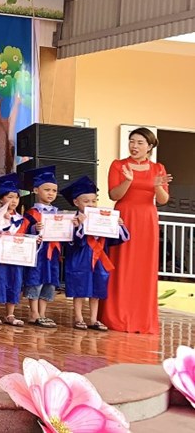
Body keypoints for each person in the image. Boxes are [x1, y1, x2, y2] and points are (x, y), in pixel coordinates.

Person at [101, 127, 171, 334]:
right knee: (120, 263)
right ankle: (116, 316)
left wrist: (157, 186)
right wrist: (128, 180)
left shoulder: (158, 168)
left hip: (147, 220)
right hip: (124, 216)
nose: (134, 146)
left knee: (143, 267)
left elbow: (163, 200)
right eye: (132, 141)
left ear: (149, 146)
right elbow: (114, 195)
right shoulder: (118, 165)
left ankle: (141, 319)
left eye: (140, 142)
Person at [63, 176, 129, 331]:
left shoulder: (102, 217)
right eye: (86, 201)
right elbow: (73, 241)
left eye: (94, 201)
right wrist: (79, 226)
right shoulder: (73, 219)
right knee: (80, 289)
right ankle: (79, 318)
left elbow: (119, 239)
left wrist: (118, 225)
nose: (91, 204)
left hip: (99, 258)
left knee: (97, 290)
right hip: (80, 258)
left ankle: (93, 319)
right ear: (76, 202)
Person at [0, 173, 27, 327]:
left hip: (15, 258)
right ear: (1, 199)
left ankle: (10, 314)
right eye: (9, 197)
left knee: (15, 282)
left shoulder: (22, 219)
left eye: (16, 197)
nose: (14, 201)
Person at [22, 165, 62, 328]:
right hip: (37, 253)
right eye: (47, 190)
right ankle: (34, 313)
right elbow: (24, 231)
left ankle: (43, 313)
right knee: (35, 280)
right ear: (36, 190)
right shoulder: (31, 213)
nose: (51, 193)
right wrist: (34, 229)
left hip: (52, 252)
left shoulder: (58, 213)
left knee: (49, 281)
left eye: (54, 190)